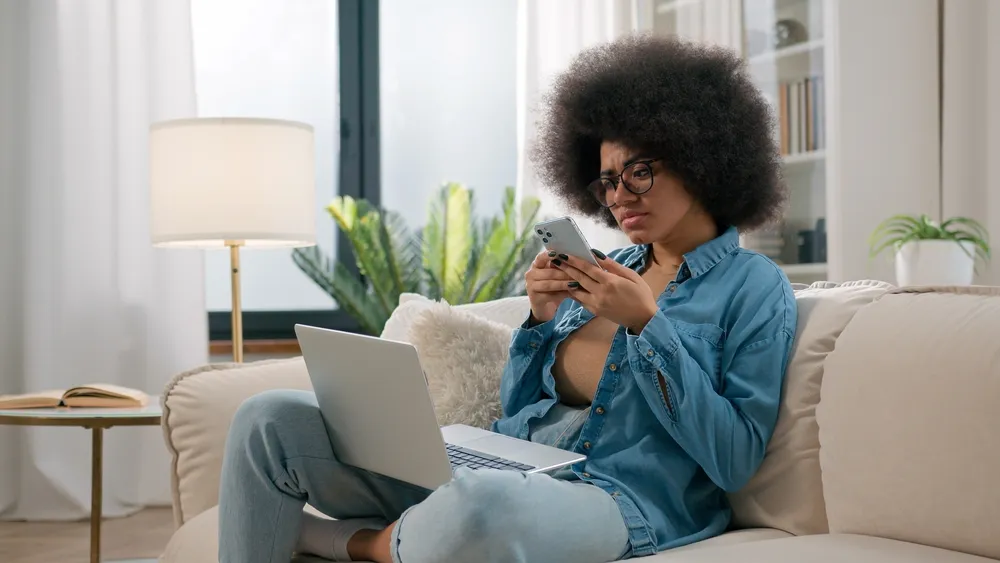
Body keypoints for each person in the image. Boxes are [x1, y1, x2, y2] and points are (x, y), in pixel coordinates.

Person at [217, 33, 797, 563]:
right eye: (607, 180)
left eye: (638, 172)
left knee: (482, 507)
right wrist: (541, 321)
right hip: (508, 462)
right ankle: (417, 530)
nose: (619, 196)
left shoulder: (754, 288)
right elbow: (514, 410)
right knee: (268, 417)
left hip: (618, 499)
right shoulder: (605, 269)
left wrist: (649, 328)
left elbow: (734, 458)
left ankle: (359, 542)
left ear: (703, 159)